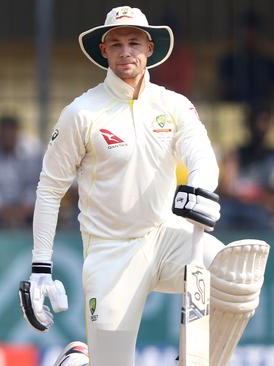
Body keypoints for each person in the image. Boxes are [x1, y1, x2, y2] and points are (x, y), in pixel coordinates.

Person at [17, 7, 269, 366]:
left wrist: (202, 186)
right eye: (116, 44)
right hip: (110, 254)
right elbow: (49, 189)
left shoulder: (173, 104)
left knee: (238, 275)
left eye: (134, 42)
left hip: (165, 239)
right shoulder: (82, 113)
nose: (125, 52)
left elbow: (200, 153)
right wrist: (41, 267)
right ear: (103, 50)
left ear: (149, 47)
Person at [218, 104, 274, 229]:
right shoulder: (235, 154)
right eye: (256, 121)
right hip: (233, 208)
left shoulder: (271, 157)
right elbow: (227, 188)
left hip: (259, 211)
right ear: (248, 124)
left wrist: (257, 195)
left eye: (264, 121)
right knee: (219, 215)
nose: (259, 127)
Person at [218, 11, 274, 108]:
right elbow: (223, 92)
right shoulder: (228, 62)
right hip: (234, 113)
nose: (250, 36)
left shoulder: (268, 64)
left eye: (253, 31)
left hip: (263, 113)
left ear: (259, 34)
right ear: (239, 34)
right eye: (246, 31)